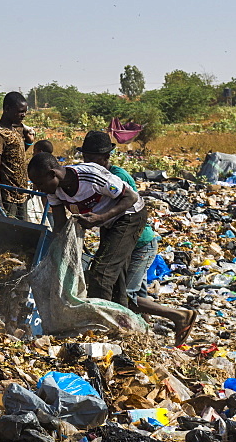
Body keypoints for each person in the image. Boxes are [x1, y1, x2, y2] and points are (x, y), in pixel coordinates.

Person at [79, 131, 197, 345]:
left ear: (106, 158)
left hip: (139, 243)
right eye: (85, 158)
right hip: (122, 241)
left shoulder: (118, 176)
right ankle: (144, 336)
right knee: (132, 290)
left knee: (128, 295)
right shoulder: (91, 176)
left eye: (93, 160)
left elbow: (132, 210)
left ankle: (180, 315)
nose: (89, 164)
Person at [27, 151, 145, 309]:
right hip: (107, 222)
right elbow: (60, 225)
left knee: (101, 274)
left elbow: (131, 197)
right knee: (115, 275)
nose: (38, 188)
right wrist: (52, 256)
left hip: (130, 215)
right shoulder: (54, 191)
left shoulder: (91, 176)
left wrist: (101, 218)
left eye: (40, 183)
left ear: (52, 174)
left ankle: (99, 327)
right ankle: (121, 322)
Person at [0, 92, 35, 219]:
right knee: (9, 233)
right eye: (20, 112)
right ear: (7, 109)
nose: (23, 115)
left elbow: (15, 156)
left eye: (25, 112)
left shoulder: (16, 130)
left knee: (23, 231)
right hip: (7, 196)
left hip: (21, 194)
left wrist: (28, 141)